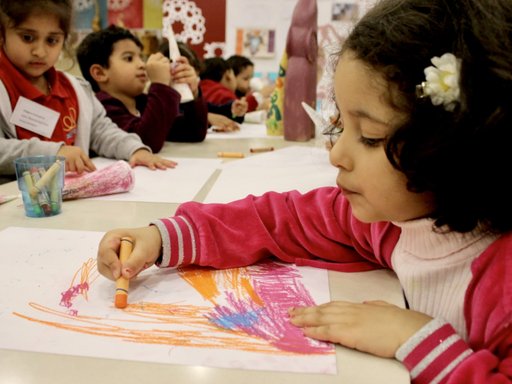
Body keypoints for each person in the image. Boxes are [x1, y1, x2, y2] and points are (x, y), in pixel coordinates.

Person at [97, 0, 512, 382]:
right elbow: (281, 219)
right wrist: (164, 237)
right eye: (339, 127)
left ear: (458, 147)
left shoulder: (503, 282)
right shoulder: (390, 221)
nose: (337, 155)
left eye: (368, 137)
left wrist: (422, 340)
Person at [0, 0, 175, 181]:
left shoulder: (76, 88)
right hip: (19, 202)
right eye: (27, 38)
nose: (40, 52)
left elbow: (102, 131)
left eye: (52, 40)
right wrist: (53, 153)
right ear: (2, 34)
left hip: (76, 197)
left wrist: (134, 149)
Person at [76, 25, 208, 153]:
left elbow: (193, 132)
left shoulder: (143, 102)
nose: (142, 64)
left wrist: (193, 93)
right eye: (129, 58)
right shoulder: (103, 108)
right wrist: (160, 85)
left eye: (141, 57)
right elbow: (145, 142)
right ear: (100, 73)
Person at [159, 40, 240, 132]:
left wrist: (232, 108)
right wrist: (206, 117)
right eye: (184, 73)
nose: (192, 79)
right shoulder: (160, 98)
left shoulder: (192, 93)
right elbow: (174, 120)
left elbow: (212, 108)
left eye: (193, 75)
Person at [199, 57, 248, 124]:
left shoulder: (199, 89)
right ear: (228, 75)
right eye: (246, 79)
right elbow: (232, 119)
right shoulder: (224, 94)